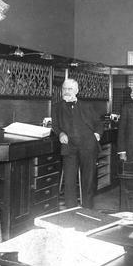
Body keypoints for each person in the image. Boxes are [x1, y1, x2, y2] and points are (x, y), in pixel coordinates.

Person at [52, 79, 103, 209]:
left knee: (88, 180)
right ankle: (70, 211)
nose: (66, 92)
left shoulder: (86, 106)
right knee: (69, 181)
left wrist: (97, 134)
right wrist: (61, 134)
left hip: (88, 146)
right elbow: (56, 125)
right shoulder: (57, 107)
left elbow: (98, 123)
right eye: (64, 89)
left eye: (70, 89)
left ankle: (87, 209)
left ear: (76, 91)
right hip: (69, 147)